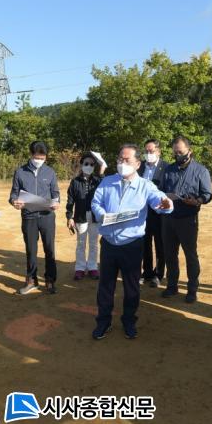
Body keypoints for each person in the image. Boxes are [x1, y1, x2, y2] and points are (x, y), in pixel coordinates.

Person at [91, 144, 174, 340]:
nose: (122, 163)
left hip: (132, 245)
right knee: (106, 287)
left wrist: (166, 204)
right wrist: (102, 215)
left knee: (131, 288)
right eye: (120, 159)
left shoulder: (145, 185)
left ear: (137, 164)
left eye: (127, 160)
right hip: (109, 243)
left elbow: (159, 200)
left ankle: (129, 321)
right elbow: (96, 202)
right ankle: (103, 321)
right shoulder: (108, 181)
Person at [161, 136, 212, 303]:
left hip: (188, 220)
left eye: (180, 152)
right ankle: (172, 285)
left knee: (190, 255)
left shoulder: (201, 171)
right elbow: (161, 190)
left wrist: (197, 201)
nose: (178, 155)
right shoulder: (168, 170)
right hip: (168, 218)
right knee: (170, 254)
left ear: (189, 151)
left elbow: (207, 194)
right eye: (175, 152)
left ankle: (192, 289)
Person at [9, 141, 60, 295]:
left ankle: (50, 280)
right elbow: (13, 193)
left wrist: (56, 202)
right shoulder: (20, 172)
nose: (39, 160)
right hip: (29, 216)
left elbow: (55, 192)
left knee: (49, 249)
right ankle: (31, 280)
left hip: (47, 216)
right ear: (31, 155)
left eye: (42, 158)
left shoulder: (50, 172)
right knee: (31, 250)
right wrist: (14, 202)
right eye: (37, 157)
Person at [66, 152, 106, 280]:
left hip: (95, 216)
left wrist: (102, 170)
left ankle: (93, 267)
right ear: (82, 164)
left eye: (92, 164)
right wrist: (69, 217)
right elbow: (70, 200)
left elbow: (105, 188)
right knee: (81, 243)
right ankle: (80, 268)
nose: (89, 166)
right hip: (80, 216)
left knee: (94, 243)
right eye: (86, 163)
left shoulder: (98, 180)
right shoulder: (75, 182)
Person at [137, 139, 167, 288]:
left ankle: (158, 274)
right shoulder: (140, 167)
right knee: (145, 244)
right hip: (142, 212)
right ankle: (147, 272)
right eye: (146, 151)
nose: (148, 154)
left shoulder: (166, 168)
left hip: (159, 212)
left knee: (160, 244)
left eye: (151, 151)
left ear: (158, 151)